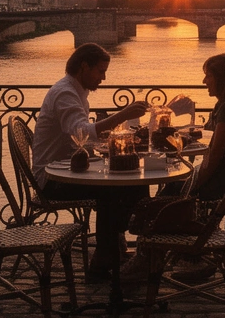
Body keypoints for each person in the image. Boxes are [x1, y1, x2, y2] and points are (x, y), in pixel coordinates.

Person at [33, 43, 149, 279]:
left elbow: (80, 141)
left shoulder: (75, 91)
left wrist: (108, 140)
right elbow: (80, 132)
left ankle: (116, 246)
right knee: (112, 190)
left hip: (68, 169)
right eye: (100, 71)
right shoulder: (65, 93)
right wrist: (123, 115)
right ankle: (105, 258)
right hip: (51, 179)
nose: (103, 78)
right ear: (83, 67)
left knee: (132, 182)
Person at [182, 54, 225, 202]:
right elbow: (211, 136)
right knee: (175, 185)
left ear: (221, 79)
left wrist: (193, 185)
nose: (204, 81)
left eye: (208, 76)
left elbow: (215, 155)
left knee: (172, 189)